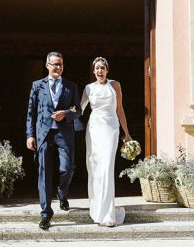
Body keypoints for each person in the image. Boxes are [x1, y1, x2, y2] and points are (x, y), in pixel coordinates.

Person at [26, 51, 81, 231]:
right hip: (43, 135)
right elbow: (31, 113)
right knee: (44, 174)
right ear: (47, 65)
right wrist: (30, 135)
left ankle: (62, 193)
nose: (58, 67)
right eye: (55, 64)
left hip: (64, 134)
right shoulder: (37, 86)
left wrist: (66, 113)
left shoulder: (71, 86)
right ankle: (45, 214)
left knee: (67, 168)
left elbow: (77, 110)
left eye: (61, 64)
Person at [81, 57, 130, 227]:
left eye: (102, 68)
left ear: (107, 70)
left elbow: (120, 109)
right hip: (94, 129)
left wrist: (127, 133)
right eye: (97, 68)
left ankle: (109, 214)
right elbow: (79, 109)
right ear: (93, 71)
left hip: (111, 128)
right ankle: (97, 209)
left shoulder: (115, 85)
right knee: (95, 168)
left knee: (107, 166)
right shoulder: (88, 88)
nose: (100, 71)